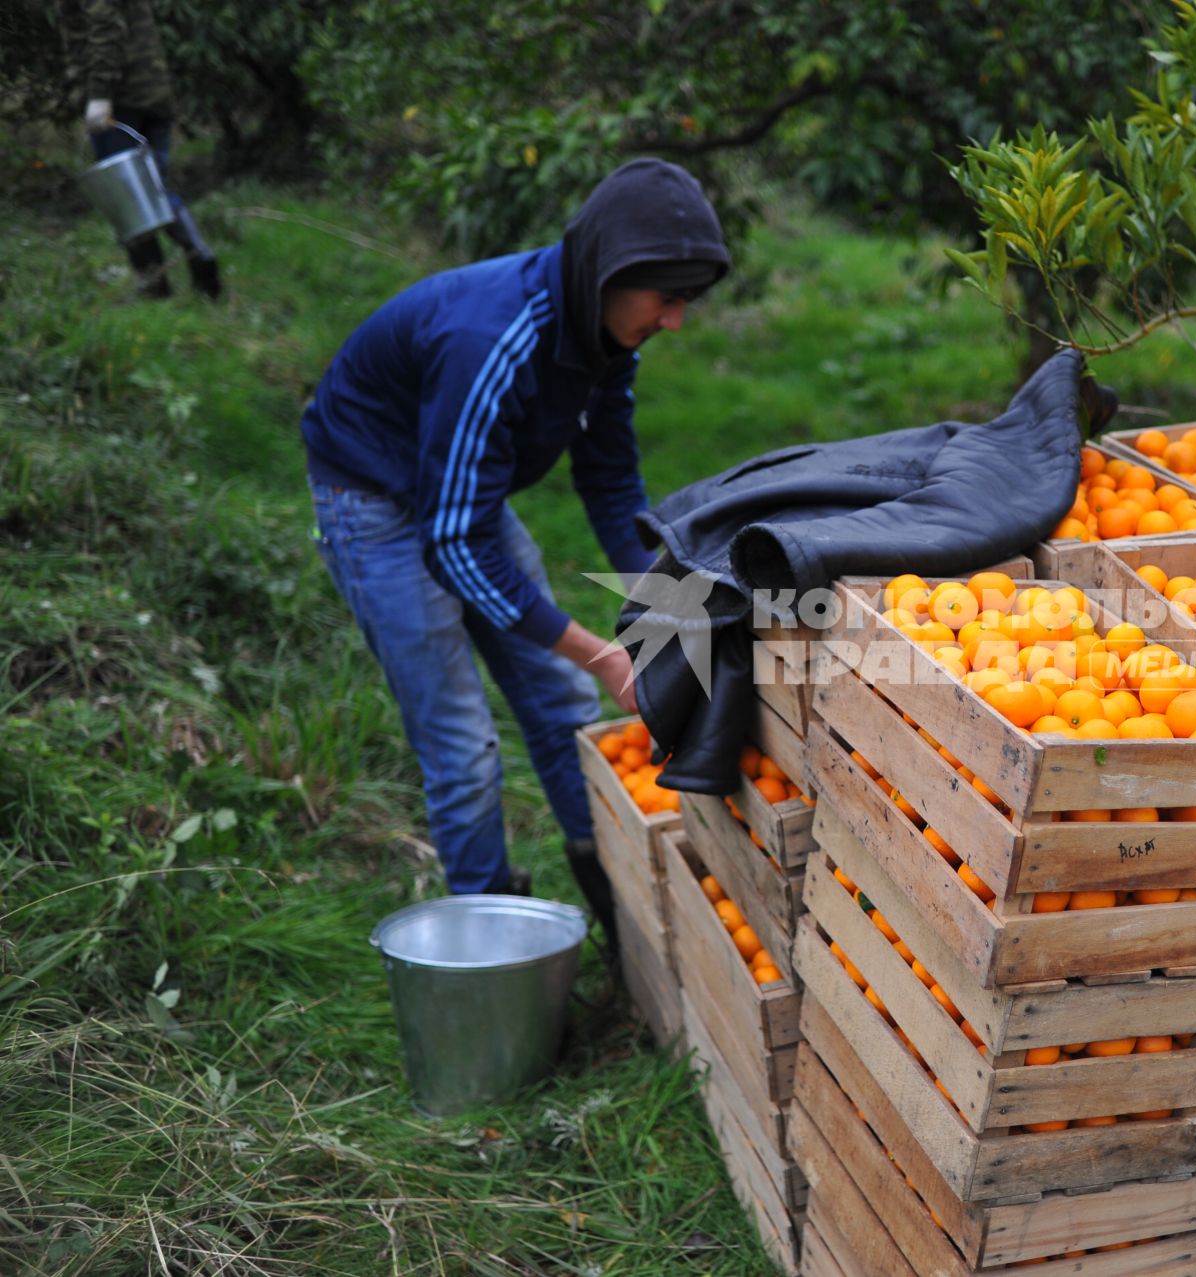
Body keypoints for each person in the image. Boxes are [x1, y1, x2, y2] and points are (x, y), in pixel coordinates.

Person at [301, 159, 729, 934]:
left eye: (686, 302)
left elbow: (608, 482)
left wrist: (670, 613)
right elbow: (454, 546)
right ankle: (487, 941)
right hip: (374, 499)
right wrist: (600, 651)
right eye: (667, 299)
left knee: (563, 706)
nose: (676, 322)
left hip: (461, 493)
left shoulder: (604, 333)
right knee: (464, 749)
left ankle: (615, 902)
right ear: (613, 272)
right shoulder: (492, 340)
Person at [80, 0, 221, 299]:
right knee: (154, 188)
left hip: (122, 102)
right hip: (154, 93)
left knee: (127, 196)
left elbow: (106, 30)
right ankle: (200, 255)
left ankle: (155, 287)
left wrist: (99, 95)